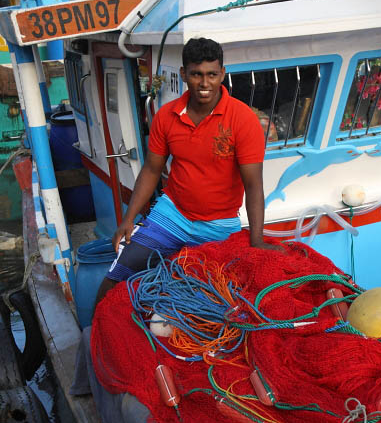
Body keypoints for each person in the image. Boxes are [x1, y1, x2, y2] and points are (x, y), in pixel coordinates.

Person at [96, 36, 275, 304]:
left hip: (220, 224)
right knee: (115, 277)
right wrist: (128, 219)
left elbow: (253, 185)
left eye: (212, 74)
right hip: (173, 215)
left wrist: (256, 239)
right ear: (183, 74)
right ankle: (95, 339)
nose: (205, 83)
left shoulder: (243, 119)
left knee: (224, 297)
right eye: (196, 75)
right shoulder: (166, 116)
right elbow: (151, 170)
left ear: (222, 74)